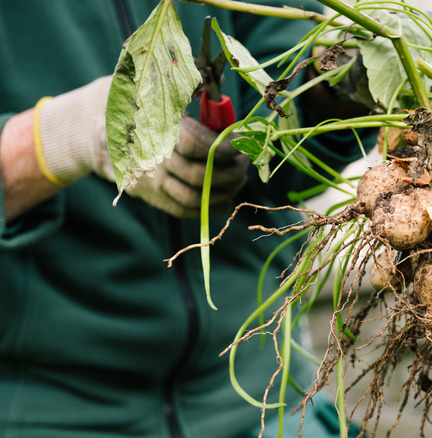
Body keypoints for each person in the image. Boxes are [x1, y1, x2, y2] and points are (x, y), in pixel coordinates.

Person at [0, 1, 367, 437]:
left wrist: (331, 88)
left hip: (268, 393)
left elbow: (285, 137)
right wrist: (57, 137)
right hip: (49, 411)